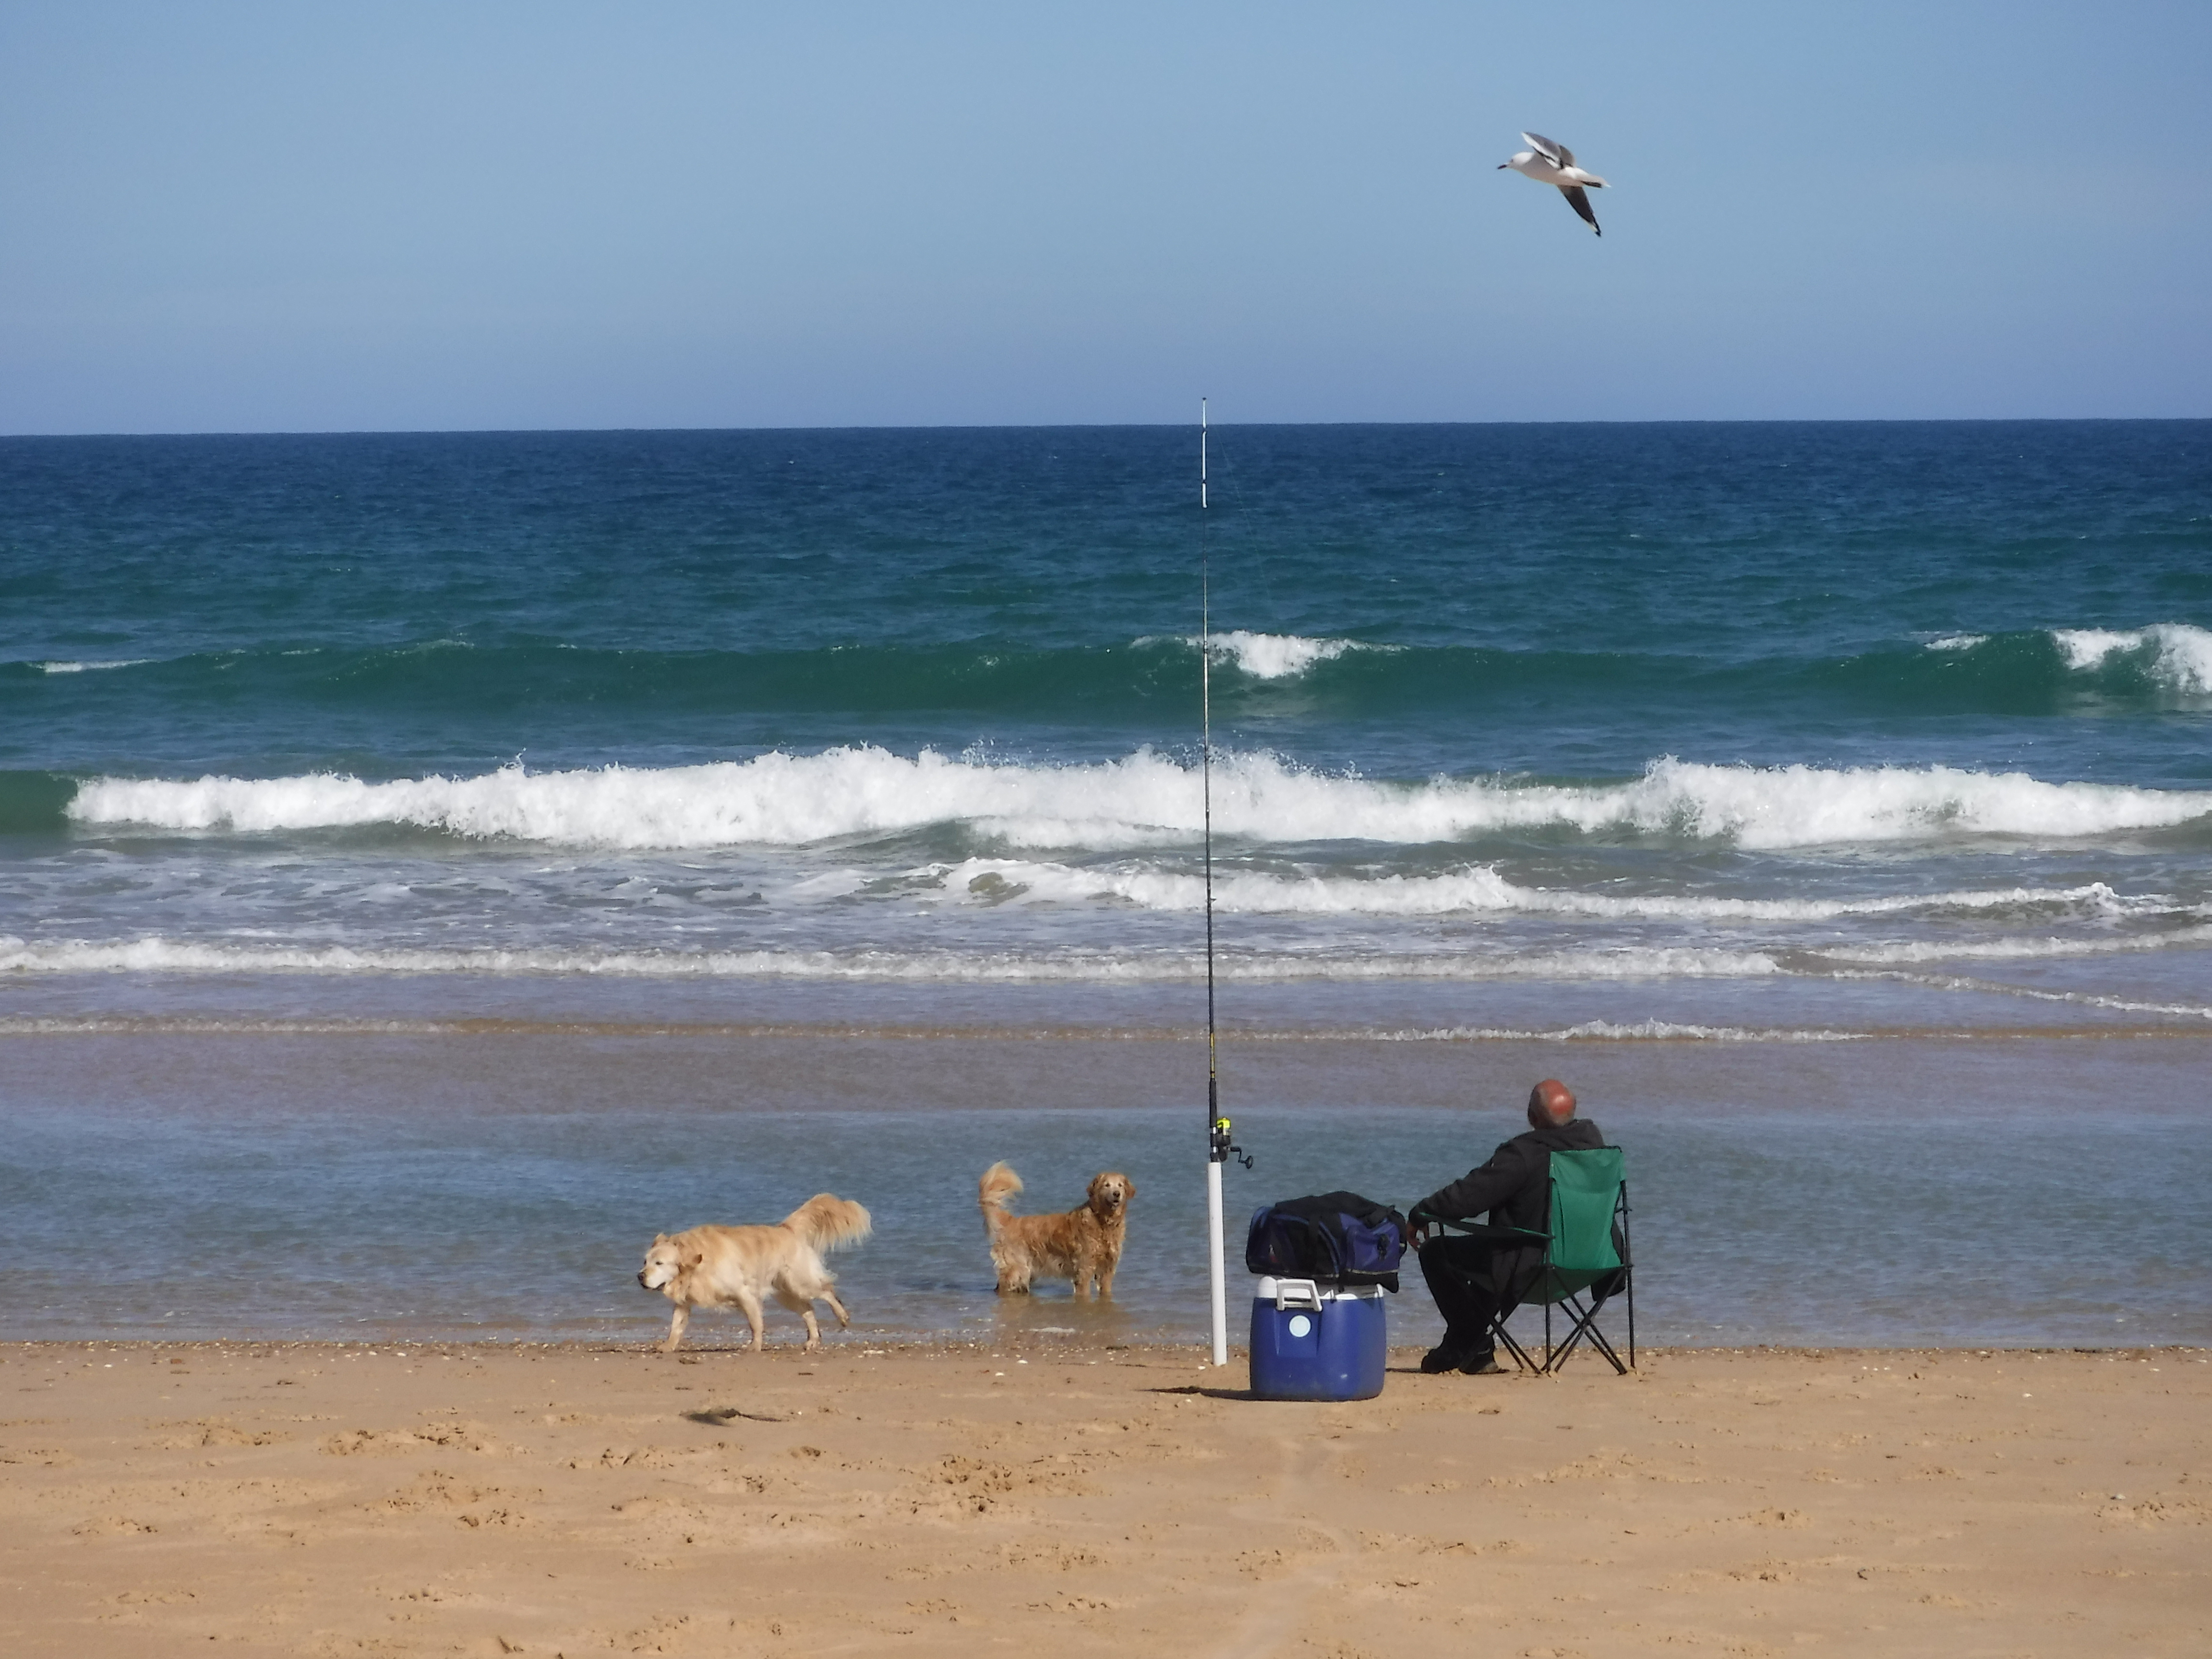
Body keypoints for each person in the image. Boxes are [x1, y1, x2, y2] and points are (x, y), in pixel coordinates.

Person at [1407, 1078, 1603, 1375]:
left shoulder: (1524, 1154)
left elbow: (1469, 1197)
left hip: (1533, 1267)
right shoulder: (1596, 1149)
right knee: (1501, 1249)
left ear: (1532, 1117)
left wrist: (1422, 1212)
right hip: (1591, 1262)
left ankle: (1471, 1345)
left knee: (1437, 1252)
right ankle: (1468, 1347)